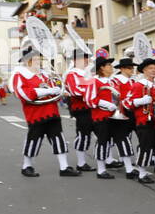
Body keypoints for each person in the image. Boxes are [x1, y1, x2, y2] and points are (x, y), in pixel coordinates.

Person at [12, 45, 75, 178]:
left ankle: (64, 167)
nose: (38, 61)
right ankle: (27, 166)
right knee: (34, 140)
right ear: (27, 60)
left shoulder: (44, 75)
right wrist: (48, 91)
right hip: (36, 115)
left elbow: (54, 88)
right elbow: (23, 94)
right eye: (35, 59)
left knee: (59, 139)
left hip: (52, 112)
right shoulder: (20, 75)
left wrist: (61, 91)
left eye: (38, 59)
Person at [63, 48, 96, 174]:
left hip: (92, 107)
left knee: (102, 133)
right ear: (76, 60)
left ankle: (106, 159)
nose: (87, 60)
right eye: (84, 58)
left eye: (87, 58)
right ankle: (81, 162)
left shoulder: (86, 73)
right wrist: (92, 89)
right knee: (83, 134)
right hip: (81, 108)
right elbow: (76, 91)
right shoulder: (72, 74)